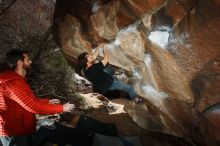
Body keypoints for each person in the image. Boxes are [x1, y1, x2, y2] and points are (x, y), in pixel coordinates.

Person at [0, 49, 75, 146]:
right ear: (19, 63)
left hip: (19, 130)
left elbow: (27, 101)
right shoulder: (12, 83)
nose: (30, 61)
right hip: (13, 133)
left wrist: (47, 102)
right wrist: (61, 108)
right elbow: (33, 106)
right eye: (28, 59)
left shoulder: (15, 80)